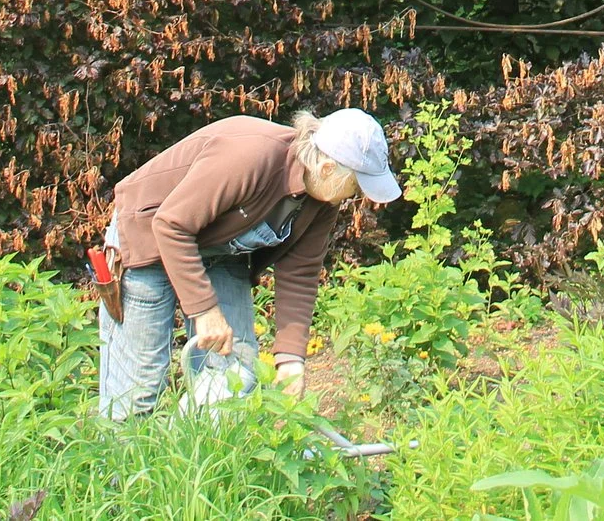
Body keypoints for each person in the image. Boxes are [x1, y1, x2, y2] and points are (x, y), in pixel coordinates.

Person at [97, 107, 400, 418]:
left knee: (235, 376)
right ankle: (122, 458)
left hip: (218, 250)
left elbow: (301, 272)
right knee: (139, 390)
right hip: (147, 237)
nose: (356, 194)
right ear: (326, 168)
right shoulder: (249, 157)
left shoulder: (323, 199)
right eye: (356, 185)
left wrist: (290, 357)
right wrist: (204, 309)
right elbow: (172, 225)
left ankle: (207, 462)